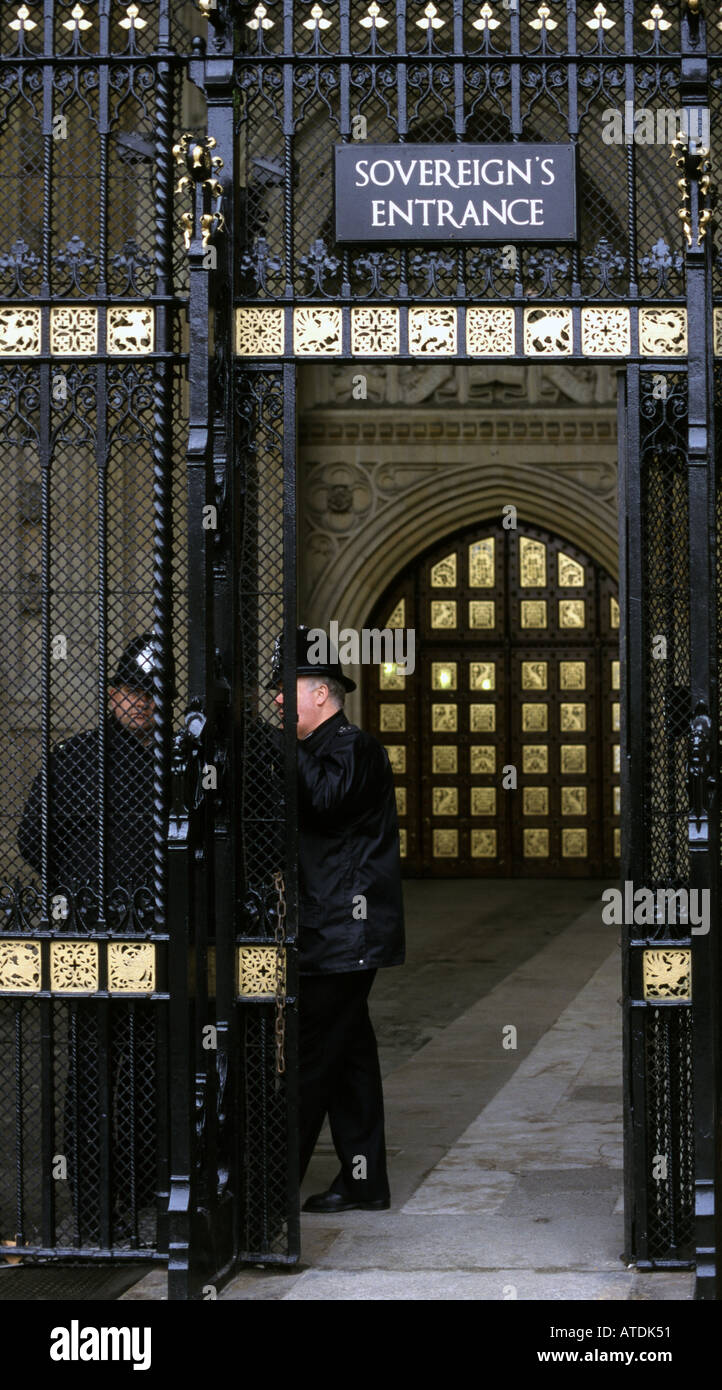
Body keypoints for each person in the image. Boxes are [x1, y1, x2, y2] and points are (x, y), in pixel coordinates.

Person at [18, 634, 162, 1245]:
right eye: (132, 690)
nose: (141, 703)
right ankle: (117, 1194)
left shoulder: (79, 757)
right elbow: (34, 837)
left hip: (105, 933)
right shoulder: (107, 760)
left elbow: (33, 840)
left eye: (151, 694)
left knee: (107, 1065)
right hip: (121, 934)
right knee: (123, 1067)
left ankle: (107, 1197)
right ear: (112, 693)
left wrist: (75, 890)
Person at [269, 625, 405, 1212]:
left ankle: (269, 1190)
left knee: (309, 1060)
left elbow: (324, 802)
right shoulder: (318, 748)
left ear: (319, 693)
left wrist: (282, 743)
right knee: (349, 1059)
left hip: (343, 934)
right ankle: (364, 1180)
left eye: (285, 689)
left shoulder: (354, 748)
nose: (277, 700)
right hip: (334, 930)